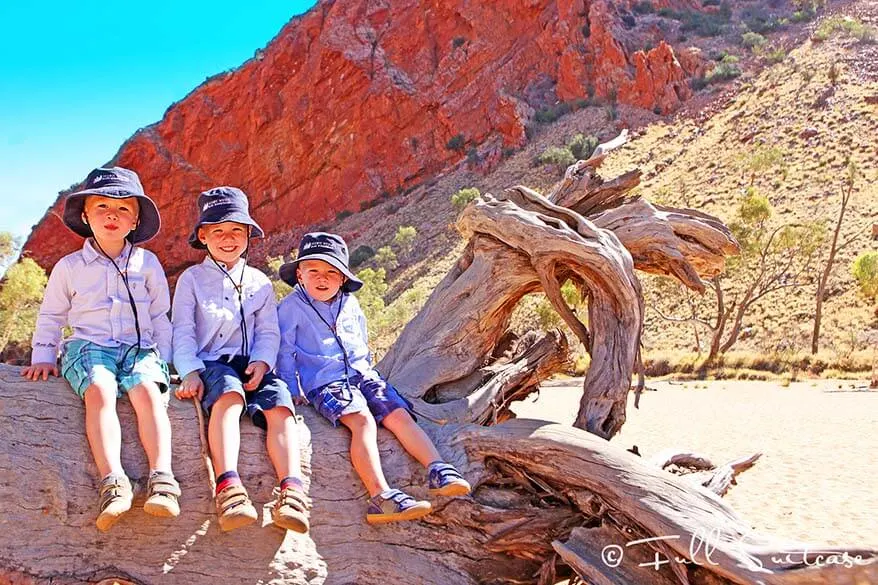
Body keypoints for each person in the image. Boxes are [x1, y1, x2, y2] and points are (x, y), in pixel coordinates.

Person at [22, 166, 180, 531]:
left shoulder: (147, 263)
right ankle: (114, 481)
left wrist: (166, 362)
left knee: (146, 391)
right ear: (86, 216)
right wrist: (43, 356)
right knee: (100, 388)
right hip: (89, 345)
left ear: (135, 220)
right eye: (102, 207)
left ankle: (162, 479)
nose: (112, 215)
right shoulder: (70, 266)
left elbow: (160, 316)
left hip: (139, 349)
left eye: (123, 209)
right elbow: (51, 314)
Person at [276, 232, 471, 524]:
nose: (322, 278)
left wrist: (368, 371)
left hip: (362, 373)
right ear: (300, 274)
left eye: (331, 271)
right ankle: (380, 496)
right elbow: (284, 351)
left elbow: (361, 340)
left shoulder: (349, 303)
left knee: (397, 413)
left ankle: (438, 467)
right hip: (325, 382)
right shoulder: (291, 308)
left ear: (343, 277)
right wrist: (292, 389)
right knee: (362, 420)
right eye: (313, 270)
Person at [172, 186, 308, 533]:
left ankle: (292, 491)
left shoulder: (260, 282)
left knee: (279, 405)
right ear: (203, 236)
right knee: (229, 396)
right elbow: (183, 330)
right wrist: (189, 371)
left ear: (249, 234)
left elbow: (268, 332)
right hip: (211, 363)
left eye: (236, 231)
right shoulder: (192, 279)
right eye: (218, 231)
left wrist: (263, 362)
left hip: (251, 362)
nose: (228, 239)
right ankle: (228, 486)